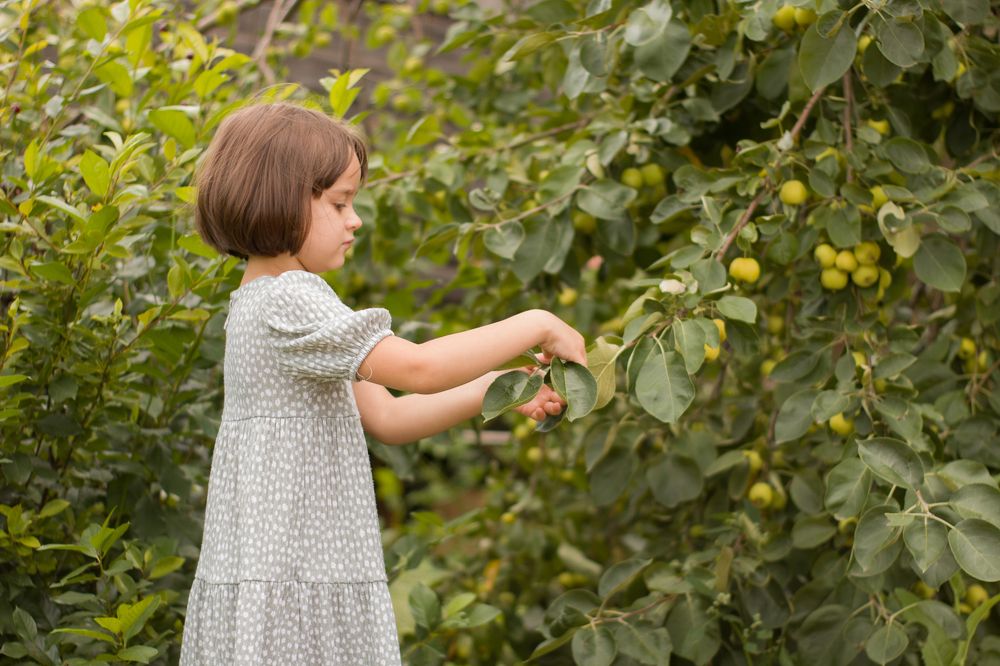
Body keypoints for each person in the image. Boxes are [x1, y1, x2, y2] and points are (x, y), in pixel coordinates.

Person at [179, 101, 587, 665]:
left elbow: (389, 418)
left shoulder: (269, 302)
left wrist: (504, 384)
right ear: (278, 200)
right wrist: (536, 323)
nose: (355, 219)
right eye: (340, 203)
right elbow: (419, 369)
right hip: (299, 575)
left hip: (292, 572)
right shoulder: (290, 300)